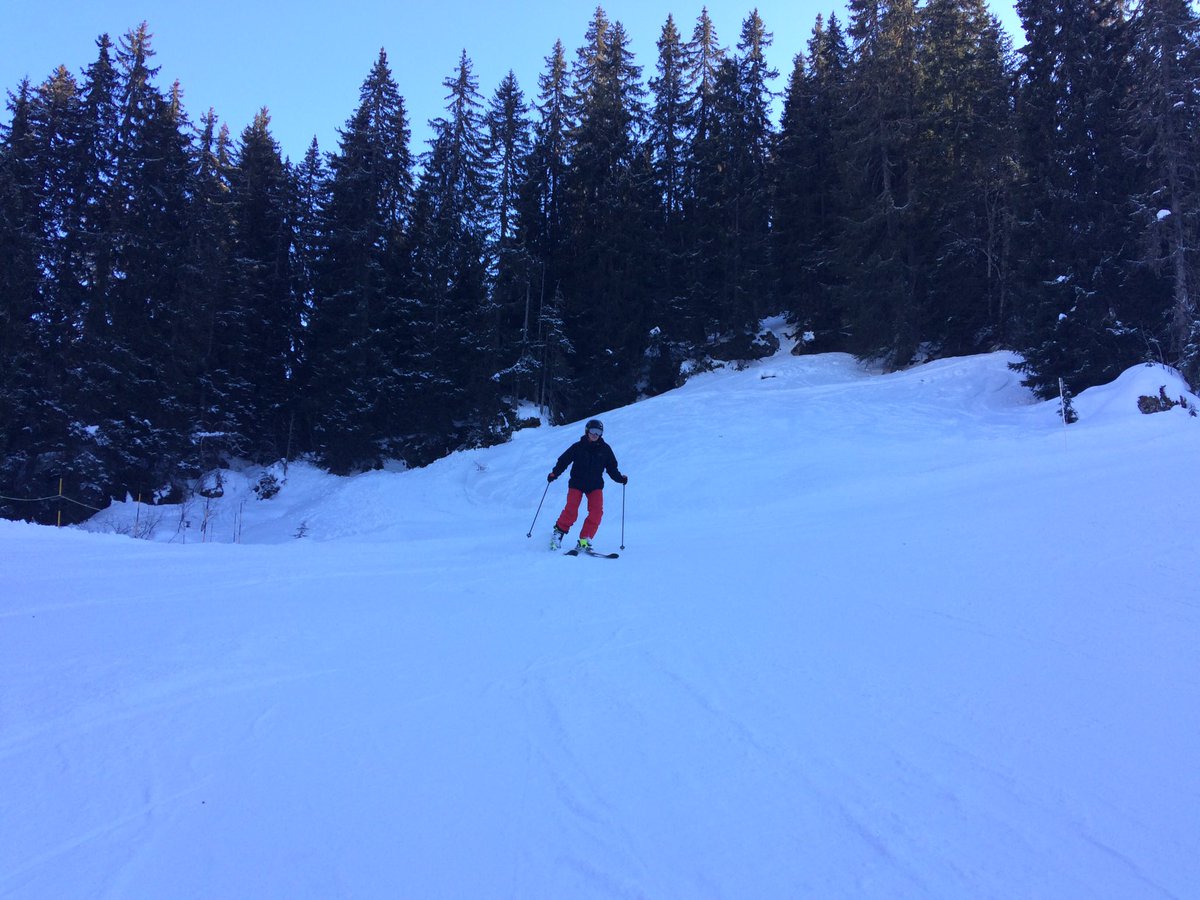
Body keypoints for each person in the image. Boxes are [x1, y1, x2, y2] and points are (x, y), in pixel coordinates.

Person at [547, 418, 627, 551]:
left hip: (595, 485)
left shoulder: (605, 449)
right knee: (571, 510)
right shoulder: (577, 447)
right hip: (576, 483)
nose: (595, 434)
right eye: (593, 431)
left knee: (597, 512)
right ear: (587, 431)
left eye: (598, 432)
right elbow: (564, 461)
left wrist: (620, 479)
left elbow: (612, 468)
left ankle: (585, 540)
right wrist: (554, 473)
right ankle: (558, 534)